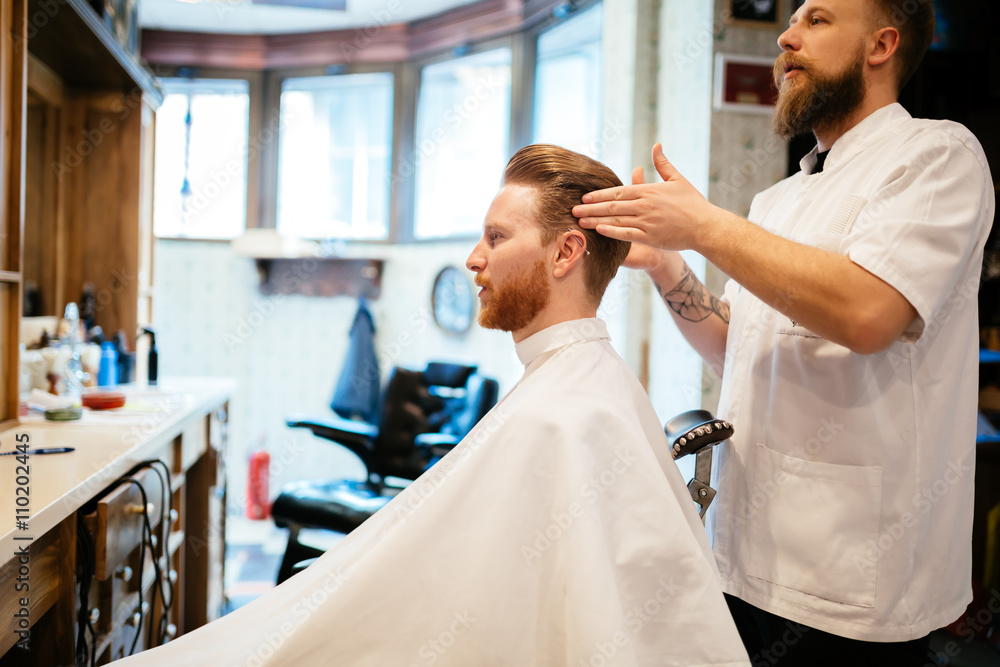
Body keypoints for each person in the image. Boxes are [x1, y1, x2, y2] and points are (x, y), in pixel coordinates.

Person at [118, 144, 750, 666]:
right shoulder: (580, 386)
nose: (474, 258)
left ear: (565, 253)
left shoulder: (565, 415)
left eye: (496, 237)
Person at [572, 0, 995, 664]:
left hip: (856, 578)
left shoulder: (937, 156)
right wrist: (664, 264)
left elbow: (868, 313)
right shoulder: (779, 200)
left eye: (816, 20)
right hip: (744, 554)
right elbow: (733, 344)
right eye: (791, 21)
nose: (786, 37)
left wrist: (704, 225)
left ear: (881, 45)